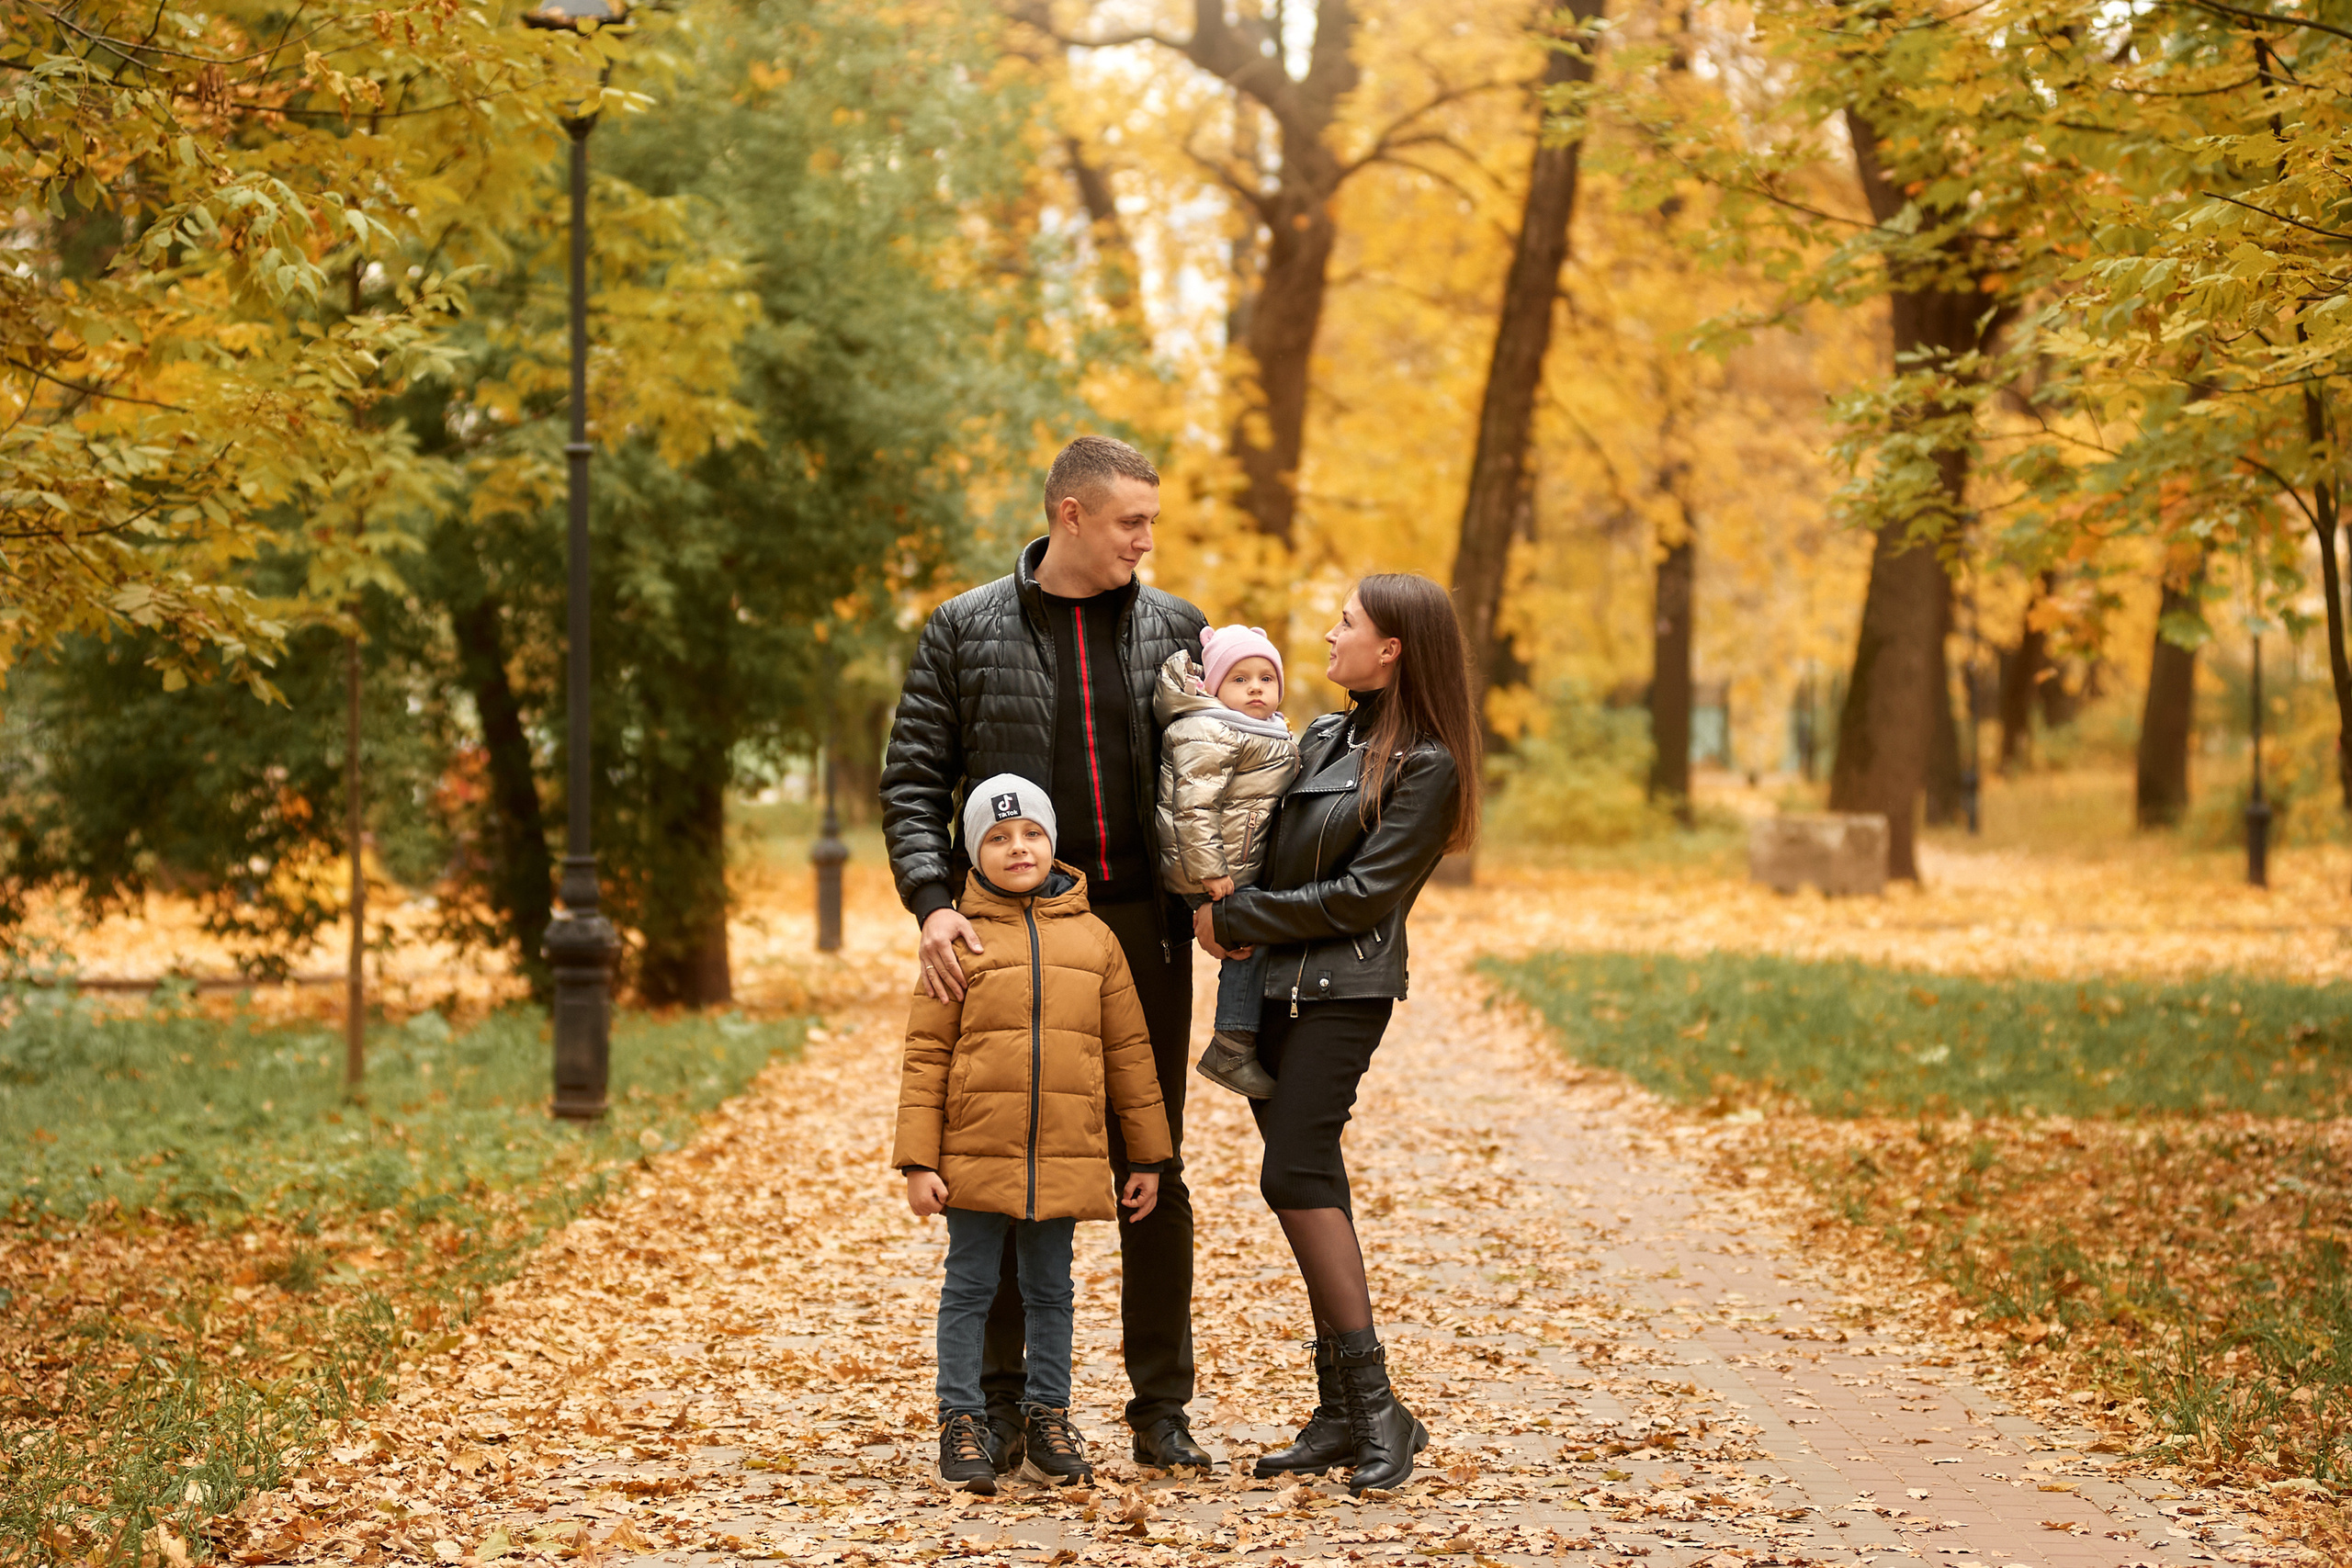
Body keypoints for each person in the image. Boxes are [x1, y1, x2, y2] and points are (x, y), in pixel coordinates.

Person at [880, 434, 1217, 1473]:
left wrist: (1221, 889)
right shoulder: (963, 629)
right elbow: (911, 783)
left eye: (1150, 523)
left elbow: (1219, 773)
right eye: (1130, 523)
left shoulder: (1176, 628)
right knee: (1007, 1163)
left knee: (1151, 1161)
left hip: (1142, 934)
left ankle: (1160, 1408)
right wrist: (934, 904)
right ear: (1070, 515)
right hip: (1009, 938)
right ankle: (1001, 1406)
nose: (1145, 542)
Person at [1194, 573, 1481, 1496]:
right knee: (1314, 1183)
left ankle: (1378, 1403)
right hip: (1270, 987)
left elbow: (1365, 896)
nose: (1329, 635)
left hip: (1342, 989)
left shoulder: (1427, 764)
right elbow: (1260, 836)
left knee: (1291, 1172)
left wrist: (1246, 916)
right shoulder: (1323, 734)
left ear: (1391, 647)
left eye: (1346, 624)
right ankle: (1339, 1412)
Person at [894, 776, 1172, 1495]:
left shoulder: (1096, 940)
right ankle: (961, 1420)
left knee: (1052, 1289)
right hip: (973, 1155)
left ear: (1053, 843)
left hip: (1064, 1152)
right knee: (970, 1287)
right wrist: (918, 1159)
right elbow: (926, 1054)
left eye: (1030, 835)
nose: (1017, 847)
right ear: (973, 853)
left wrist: (1146, 1154)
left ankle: (1048, 1415)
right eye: (996, 837)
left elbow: (1131, 1054)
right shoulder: (958, 938)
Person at [1151, 626, 1300, 1099]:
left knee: (1264, 933)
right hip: (1213, 870)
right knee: (1251, 938)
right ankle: (1232, 1044)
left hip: (1235, 865)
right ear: (1213, 688)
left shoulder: (1265, 730)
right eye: (1239, 679)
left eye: (1265, 678)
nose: (1256, 687)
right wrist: (1210, 872)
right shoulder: (1210, 730)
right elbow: (1193, 806)